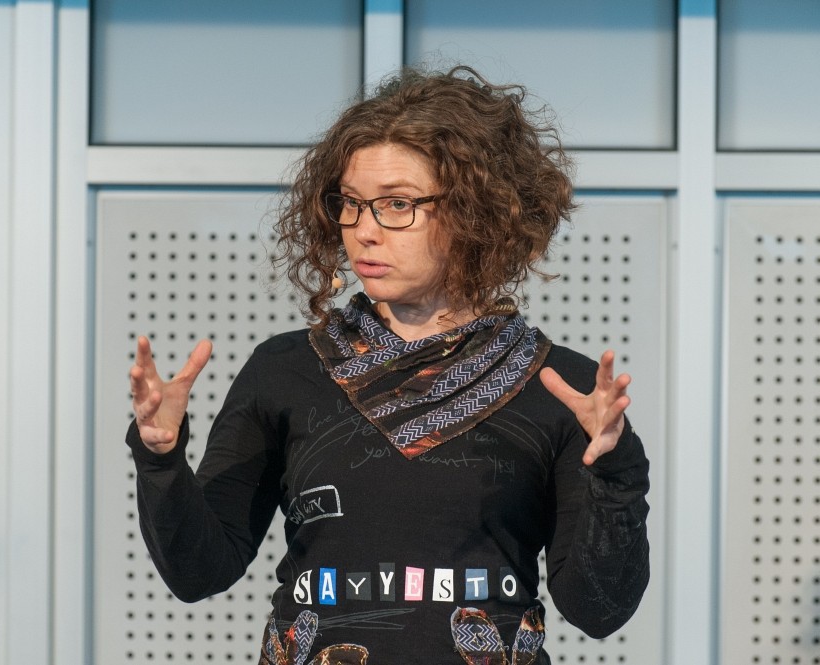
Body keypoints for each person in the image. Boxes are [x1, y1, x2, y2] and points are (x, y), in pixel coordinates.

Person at [126, 65, 650, 665]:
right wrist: (161, 457)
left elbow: (598, 610)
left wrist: (616, 472)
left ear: (478, 212)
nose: (365, 231)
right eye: (351, 204)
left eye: (397, 204)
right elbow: (199, 572)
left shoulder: (560, 388)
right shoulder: (285, 370)